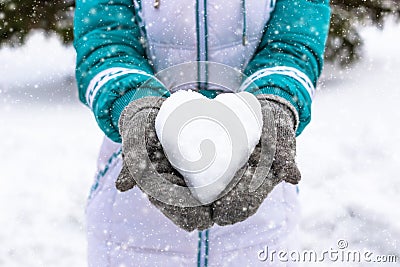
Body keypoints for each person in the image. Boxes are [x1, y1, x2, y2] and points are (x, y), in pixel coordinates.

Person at [73, 0, 330, 266]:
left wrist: (275, 99)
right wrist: (135, 105)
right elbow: (104, 42)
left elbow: (294, 43)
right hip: (130, 228)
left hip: (263, 232)